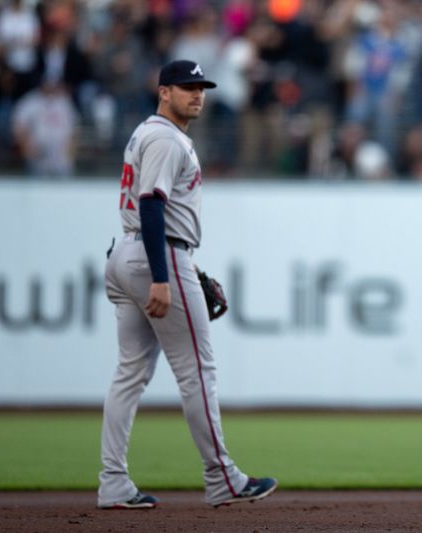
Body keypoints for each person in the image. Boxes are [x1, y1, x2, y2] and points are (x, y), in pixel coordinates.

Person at [99, 59, 277, 510]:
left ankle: (113, 482)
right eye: (186, 86)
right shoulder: (165, 137)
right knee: (199, 372)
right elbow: (152, 206)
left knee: (129, 375)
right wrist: (163, 276)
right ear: (164, 92)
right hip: (156, 255)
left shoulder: (147, 133)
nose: (197, 94)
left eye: (201, 87)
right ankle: (223, 479)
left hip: (127, 251)